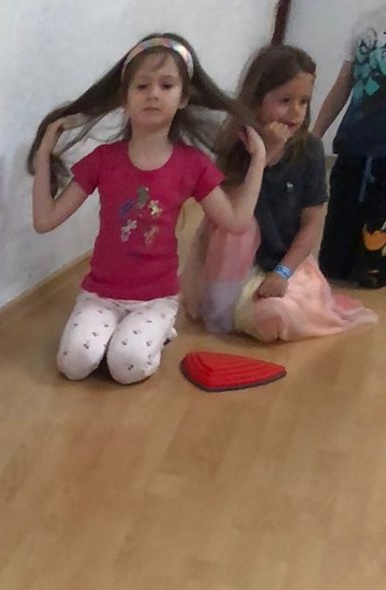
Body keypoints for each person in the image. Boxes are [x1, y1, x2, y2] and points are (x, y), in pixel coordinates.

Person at [29, 31, 267, 382]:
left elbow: (235, 222)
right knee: (74, 364)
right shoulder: (103, 160)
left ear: (183, 97)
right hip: (100, 294)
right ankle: (117, 335)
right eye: (142, 86)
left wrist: (258, 160)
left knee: (126, 366)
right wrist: (43, 155)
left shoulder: (193, 164)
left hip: (156, 298)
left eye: (166, 85)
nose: (153, 93)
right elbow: (45, 220)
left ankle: (160, 330)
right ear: (124, 100)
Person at [182, 44, 376, 340]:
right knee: (227, 310)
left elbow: (311, 224)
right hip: (233, 265)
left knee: (276, 316)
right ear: (257, 100)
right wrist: (264, 154)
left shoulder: (309, 150)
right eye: (285, 100)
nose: (296, 111)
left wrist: (283, 273)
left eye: (304, 102)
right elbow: (231, 219)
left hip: (286, 263)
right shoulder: (235, 144)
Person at [313, 9, 386, 288]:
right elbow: (343, 85)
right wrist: (315, 135)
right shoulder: (366, 24)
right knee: (332, 265)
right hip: (353, 148)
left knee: (370, 270)